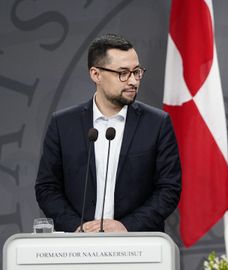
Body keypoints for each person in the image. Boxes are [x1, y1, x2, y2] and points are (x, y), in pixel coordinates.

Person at [35, 34, 182, 232]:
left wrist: (126, 226)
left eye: (137, 72)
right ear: (96, 74)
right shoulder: (63, 124)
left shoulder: (157, 124)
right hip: (78, 248)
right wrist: (77, 227)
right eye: (123, 73)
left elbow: (168, 189)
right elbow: (47, 188)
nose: (133, 81)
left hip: (137, 247)